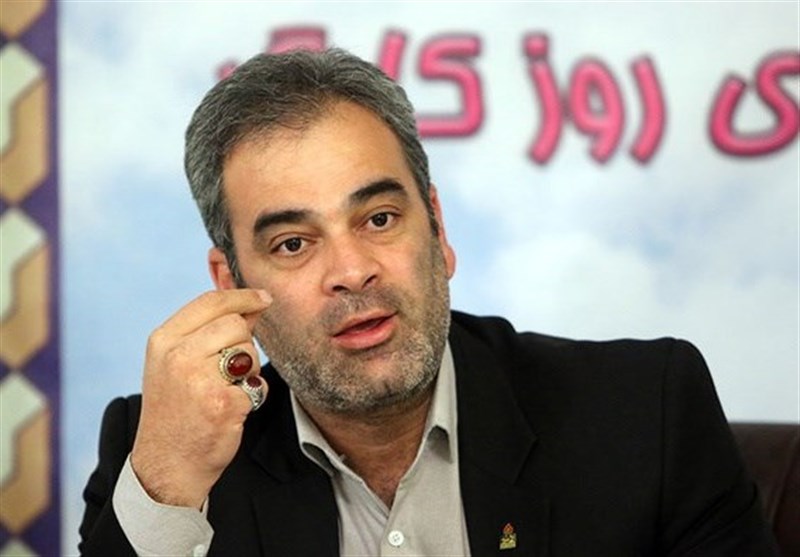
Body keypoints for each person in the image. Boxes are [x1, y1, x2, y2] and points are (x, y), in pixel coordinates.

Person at [78, 48, 779, 557]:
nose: (351, 270)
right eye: (293, 243)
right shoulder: (164, 454)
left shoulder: (646, 414)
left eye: (379, 218)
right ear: (230, 283)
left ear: (437, 230)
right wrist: (167, 488)